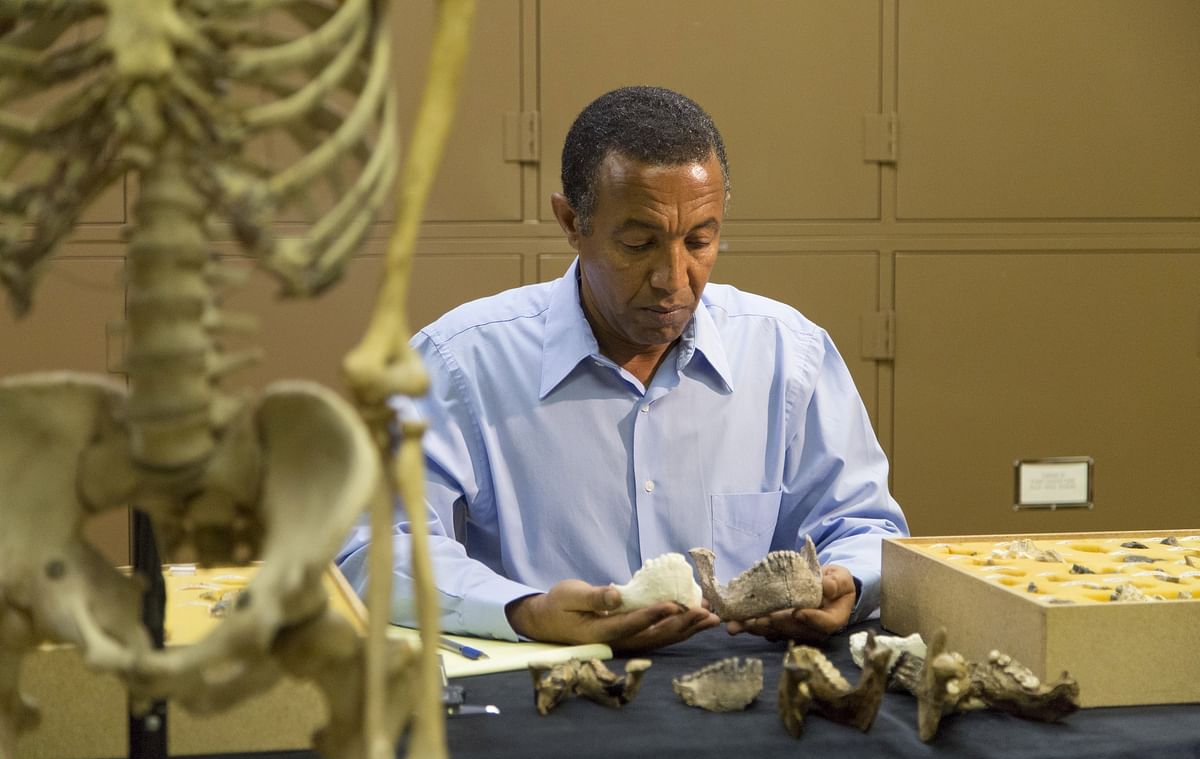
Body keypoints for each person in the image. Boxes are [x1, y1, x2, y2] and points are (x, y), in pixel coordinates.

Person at [336, 86, 908, 652]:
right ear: (570, 221)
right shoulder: (461, 362)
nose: (674, 278)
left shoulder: (788, 355)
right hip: (547, 694)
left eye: (700, 241)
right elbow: (375, 550)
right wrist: (526, 612)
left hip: (747, 702)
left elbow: (865, 527)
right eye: (639, 244)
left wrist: (848, 583)